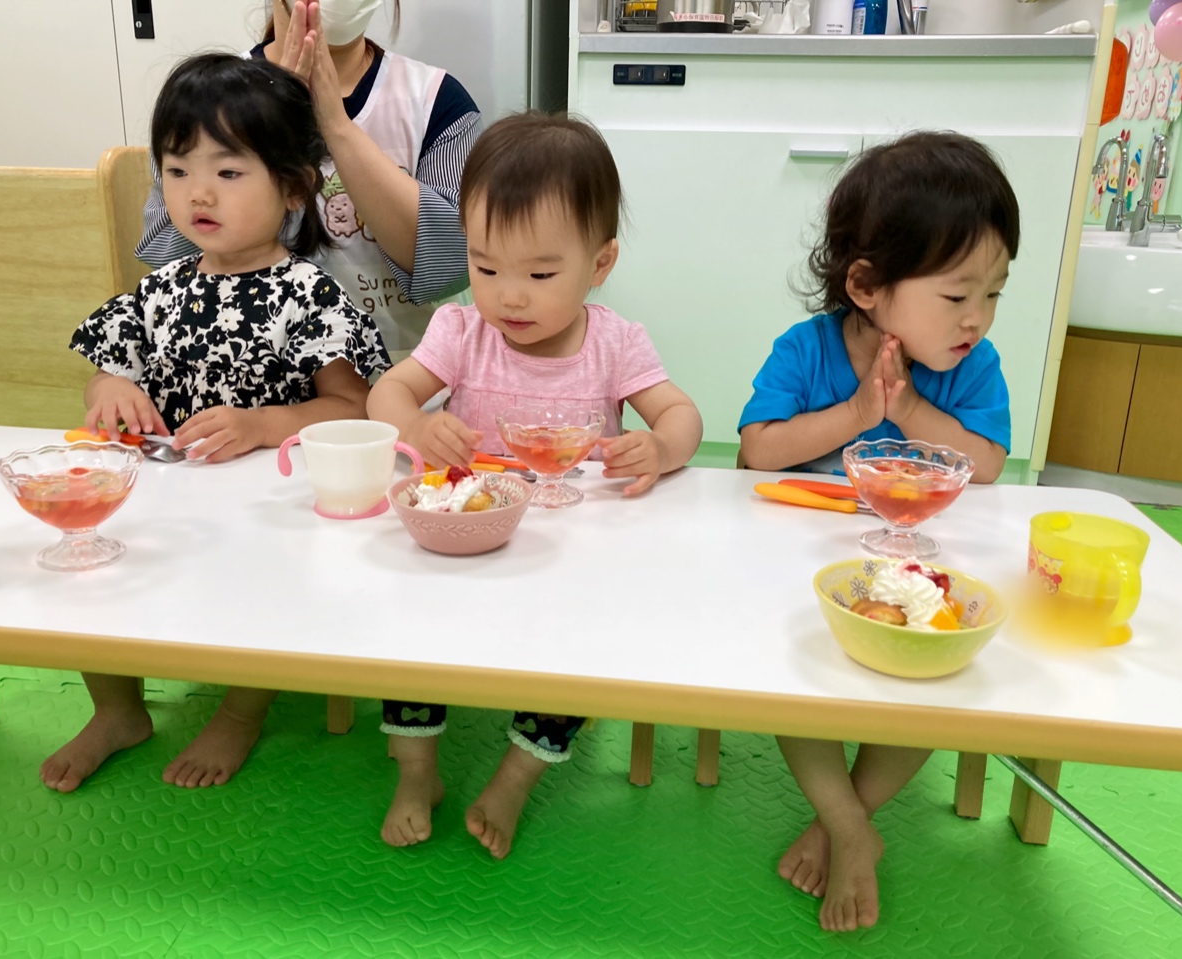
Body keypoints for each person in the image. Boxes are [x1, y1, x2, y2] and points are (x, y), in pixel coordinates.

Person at [44, 53, 390, 794]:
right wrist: (110, 389)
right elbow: (104, 371)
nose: (198, 192)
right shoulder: (160, 289)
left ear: (293, 187)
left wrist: (264, 424)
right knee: (86, 556)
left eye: (228, 172)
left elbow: (353, 409)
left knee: (267, 588)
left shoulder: (308, 293)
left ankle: (238, 711)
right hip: (165, 498)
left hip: (263, 509)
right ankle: (118, 709)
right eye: (177, 170)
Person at [367, 112, 704, 859]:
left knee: (580, 656)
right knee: (407, 634)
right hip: (464, 547)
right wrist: (417, 426)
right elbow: (386, 395)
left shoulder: (615, 343)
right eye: (486, 268)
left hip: (570, 563)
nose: (508, 297)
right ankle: (417, 771)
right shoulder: (461, 332)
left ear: (600, 262)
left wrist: (659, 447)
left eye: (540, 274)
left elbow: (682, 415)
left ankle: (517, 777)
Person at [738, 130, 1019, 931]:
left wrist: (910, 407)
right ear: (865, 284)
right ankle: (851, 826)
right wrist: (859, 412)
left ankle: (844, 820)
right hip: (806, 568)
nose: (977, 319)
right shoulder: (807, 350)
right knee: (787, 675)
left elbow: (986, 465)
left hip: (916, 569)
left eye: (994, 293)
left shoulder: (973, 366)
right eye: (957, 295)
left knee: (936, 673)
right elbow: (758, 449)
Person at [137, 0, 481, 360]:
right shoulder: (207, 98)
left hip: (406, 375)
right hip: (246, 370)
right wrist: (268, 121)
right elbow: (167, 258)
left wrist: (337, 126)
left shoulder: (436, 99)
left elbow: (452, 269)